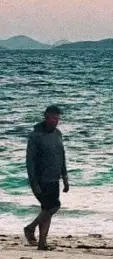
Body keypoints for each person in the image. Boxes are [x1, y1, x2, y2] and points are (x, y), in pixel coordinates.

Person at [24, 105, 70, 251]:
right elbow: (30, 162)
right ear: (46, 117)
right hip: (41, 180)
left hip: (54, 179)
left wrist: (65, 177)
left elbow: (62, 156)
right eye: (53, 118)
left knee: (47, 210)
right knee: (53, 206)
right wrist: (34, 183)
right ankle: (30, 228)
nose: (56, 121)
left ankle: (42, 243)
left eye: (57, 119)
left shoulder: (58, 134)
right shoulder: (35, 136)